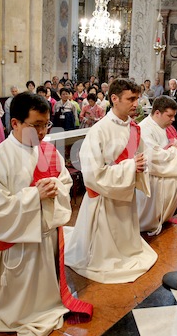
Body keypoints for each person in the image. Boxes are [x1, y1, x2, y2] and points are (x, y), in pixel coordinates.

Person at [0, 92, 92, 336]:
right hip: (19, 244)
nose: (42, 132)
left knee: (45, 292)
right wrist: (34, 196)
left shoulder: (49, 152)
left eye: (46, 124)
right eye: (36, 125)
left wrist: (57, 188)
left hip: (46, 238)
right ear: (15, 123)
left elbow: (64, 182)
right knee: (19, 301)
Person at [64, 78, 157, 284]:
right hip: (104, 200)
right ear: (114, 99)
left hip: (125, 194)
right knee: (105, 252)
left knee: (126, 241)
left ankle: (126, 249)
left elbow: (140, 156)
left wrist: (140, 164)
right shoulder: (99, 131)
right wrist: (131, 167)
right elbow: (92, 174)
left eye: (137, 98)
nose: (136, 104)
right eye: (131, 99)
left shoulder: (133, 127)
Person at [136, 95, 177, 235]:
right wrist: (174, 150)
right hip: (152, 180)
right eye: (169, 115)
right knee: (147, 216)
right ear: (157, 112)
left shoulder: (165, 127)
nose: (173, 119)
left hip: (162, 179)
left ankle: (159, 220)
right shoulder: (145, 128)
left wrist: (176, 148)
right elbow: (153, 156)